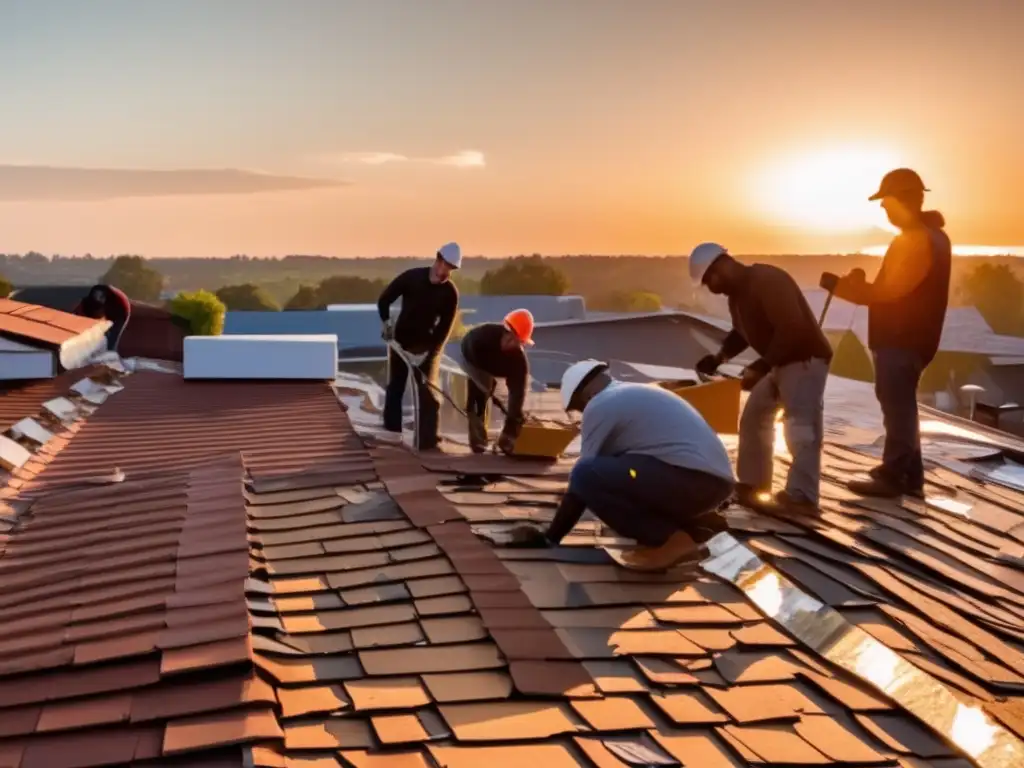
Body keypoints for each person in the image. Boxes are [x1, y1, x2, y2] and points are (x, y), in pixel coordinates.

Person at [510, 360, 735, 571]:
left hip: (689, 480)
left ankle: (671, 540)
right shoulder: (636, 393)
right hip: (713, 487)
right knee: (613, 474)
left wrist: (551, 537)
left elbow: (583, 479)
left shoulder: (599, 404)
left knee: (585, 474)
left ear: (586, 395)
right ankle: (693, 526)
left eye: (579, 408)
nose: (582, 415)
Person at [822, 168, 951, 498]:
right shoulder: (930, 237)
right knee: (901, 403)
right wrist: (855, 287)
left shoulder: (918, 240)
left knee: (897, 405)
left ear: (905, 199)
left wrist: (845, 288)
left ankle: (893, 475)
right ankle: (911, 476)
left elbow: (889, 292)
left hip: (901, 337)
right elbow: (892, 289)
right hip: (911, 338)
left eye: (887, 201)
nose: (883, 208)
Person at [689, 243, 833, 516]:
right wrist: (719, 357)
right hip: (781, 363)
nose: (710, 288)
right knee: (755, 417)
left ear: (721, 266)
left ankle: (802, 497)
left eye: (710, 280)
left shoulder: (768, 280)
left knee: (801, 429)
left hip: (804, 361)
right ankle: (753, 485)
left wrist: (762, 365)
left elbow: (792, 327)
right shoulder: (738, 296)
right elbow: (742, 332)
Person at [377, 243, 461, 450]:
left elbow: (444, 329)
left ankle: (427, 440)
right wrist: (387, 324)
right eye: (446, 266)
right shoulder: (412, 278)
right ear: (438, 260)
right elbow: (384, 300)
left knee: (428, 392)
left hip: (426, 346)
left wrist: (430, 355)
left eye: (451, 268)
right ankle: (392, 433)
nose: (446, 272)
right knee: (396, 386)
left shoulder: (450, 293)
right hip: (401, 340)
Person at [460, 309, 534, 455]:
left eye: (518, 342)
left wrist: (514, 415)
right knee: (478, 398)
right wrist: (489, 387)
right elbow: (476, 362)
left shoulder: (518, 362)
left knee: (515, 409)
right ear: (504, 331)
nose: (512, 344)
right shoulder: (481, 338)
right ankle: (478, 442)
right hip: (473, 359)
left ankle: (507, 440)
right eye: (511, 339)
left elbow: (517, 393)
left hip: (493, 364)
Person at [74, 284, 132, 353]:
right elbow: (76, 314)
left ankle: (110, 355)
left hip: (121, 312)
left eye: (97, 310)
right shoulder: (87, 301)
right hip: (107, 303)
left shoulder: (116, 309)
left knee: (111, 341)